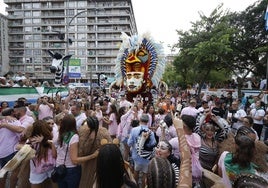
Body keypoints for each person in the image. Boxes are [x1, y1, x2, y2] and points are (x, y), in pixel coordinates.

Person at [55, 114, 98, 188]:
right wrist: (93, 156)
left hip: (58, 167)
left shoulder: (57, 134)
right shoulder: (74, 137)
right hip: (71, 170)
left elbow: (54, 153)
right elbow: (74, 160)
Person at [78, 116, 112, 188]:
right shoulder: (84, 132)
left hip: (99, 161)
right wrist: (90, 139)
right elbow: (82, 152)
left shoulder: (103, 131)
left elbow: (109, 146)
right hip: (89, 163)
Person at [127, 114, 156, 188]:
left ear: (140, 120)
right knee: (145, 175)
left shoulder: (134, 130)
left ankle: (135, 186)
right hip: (146, 157)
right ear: (148, 121)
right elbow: (153, 144)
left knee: (136, 171)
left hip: (136, 155)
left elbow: (129, 143)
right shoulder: (151, 132)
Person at [27, 120, 56, 188]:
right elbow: (55, 154)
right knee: (52, 183)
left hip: (37, 169)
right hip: (50, 166)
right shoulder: (50, 138)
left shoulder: (31, 140)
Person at [0, 108, 23, 188]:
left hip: (2, 152)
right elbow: (20, 131)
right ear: (13, 113)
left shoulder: (2, 122)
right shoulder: (15, 122)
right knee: (15, 172)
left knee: (2, 173)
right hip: (11, 152)